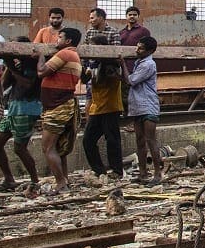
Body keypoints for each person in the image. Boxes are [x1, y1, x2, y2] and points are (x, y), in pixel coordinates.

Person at [0, 36, 41, 192]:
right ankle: (9, 179)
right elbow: (4, 84)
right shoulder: (17, 65)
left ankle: (35, 181)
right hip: (14, 108)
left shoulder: (32, 65)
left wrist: (10, 65)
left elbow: (27, 84)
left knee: (19, 147)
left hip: (27, 108)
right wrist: (9, 64)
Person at [36, 27, 82, 194]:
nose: (56, 40)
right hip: (63, 104)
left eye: (60, 37)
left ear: (68, 41)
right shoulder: (74, 56)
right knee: (60, 147)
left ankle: (61, 183)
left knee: (48, 147)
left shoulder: (65, 54)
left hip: (57, 106)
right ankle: (65, 180)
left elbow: (41, 72)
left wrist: (41, 56)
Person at [120, 36, 163, 184]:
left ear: (150, 51)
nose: (137, 50)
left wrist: (122, 64)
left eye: (141, 48)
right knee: (140, 140)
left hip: (148, 105)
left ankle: (157, 173)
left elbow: (130, 81)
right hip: (138, 105)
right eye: (137, 47)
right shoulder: (140, 62)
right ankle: (143, 173)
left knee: (151, 140)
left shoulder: (148, 64)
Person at [81, 34, 124, 181]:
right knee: (88, 140)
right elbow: (83, 78)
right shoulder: (92, 63)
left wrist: (95, 69)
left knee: (112, 139)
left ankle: (117, 170)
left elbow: (113, 77)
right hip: (98, 106)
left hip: (110, 105)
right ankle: (99, 170)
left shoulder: (110, 62)